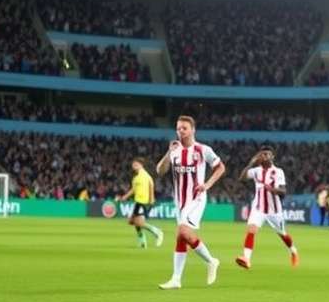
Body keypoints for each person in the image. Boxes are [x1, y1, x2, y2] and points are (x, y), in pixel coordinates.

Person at [156, 116, 225, 289]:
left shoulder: (202, 149)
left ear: (193, 130)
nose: (181, 131)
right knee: (181, 236)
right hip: (179, 201)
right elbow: (160, 171)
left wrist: (207, 185)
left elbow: (220, 167)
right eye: (178, 128)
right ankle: (176, 279)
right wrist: (168, 152)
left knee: (183, 231)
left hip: (196, 198)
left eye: (184, 128)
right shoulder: (175, 151)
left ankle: (211, 261)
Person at [236, 145, 299, 269]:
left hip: (274, 210)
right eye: (262, 154)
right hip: (258, 208)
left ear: (272, 156)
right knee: (252, 229)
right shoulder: (256, 171)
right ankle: (246, 259)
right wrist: (251, 163)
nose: (264, 156)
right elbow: (241, 178)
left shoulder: (278, 172)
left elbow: (283, 192)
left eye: (267, 154)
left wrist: (273, 190)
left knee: (282, 234)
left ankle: (293, 251)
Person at [116, 157, 164, 248]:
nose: (134, 166)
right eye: (133, 165)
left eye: (136, 164)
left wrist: (152, 199)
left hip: (144, 201)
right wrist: (124, 197)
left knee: (138, 222)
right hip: (138, 201)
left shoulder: (145, 175)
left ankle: (157, 232)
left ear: (141, 165)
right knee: (131, 221)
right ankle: (143, 241)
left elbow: (151, 185)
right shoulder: (136, 177)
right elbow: (133, 190)